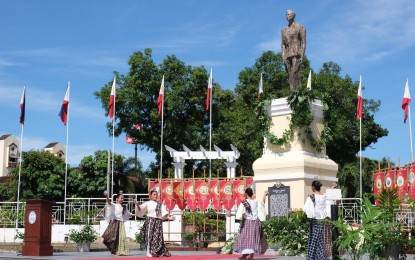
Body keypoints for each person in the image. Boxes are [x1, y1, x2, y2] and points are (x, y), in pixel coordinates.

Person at [135, 189, 174, 257]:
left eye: (156, 195)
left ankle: (155, 251)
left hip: (158, 222)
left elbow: (164, 214)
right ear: (151, 196)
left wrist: (170, 218)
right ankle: (148, 251)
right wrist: (138, 204)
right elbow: (140, 210)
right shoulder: (148, 203)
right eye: (154, 195)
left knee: (158, 237)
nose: (156, 196)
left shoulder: (160, 204)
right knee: (149, 236)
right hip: (151, 221)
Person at [234, 188, 268, 260]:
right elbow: (263, 204)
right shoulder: (256, 202)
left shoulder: (244, 202)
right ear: (252, 194)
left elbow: (240, 212)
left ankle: (245, 255)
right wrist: (265, 195)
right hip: (255, 222)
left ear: (246, 194)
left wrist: (237, 219)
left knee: (244, 238)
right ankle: (250, 256)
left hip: (247, 222)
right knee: (253, 238)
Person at [102, 191, 137, 256]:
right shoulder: (114, 205)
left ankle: (121, 251)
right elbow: (109, 202)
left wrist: (137, 214)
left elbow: (129, 214)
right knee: (111, 237)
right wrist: (107, 195)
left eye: (123, 198)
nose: (122, 199)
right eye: (121, 198)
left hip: (121, 223)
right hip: (114, 223)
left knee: (121, 237)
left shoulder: (124, 207)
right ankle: (114, 250)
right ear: (117, 199)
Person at [303, 180, 331, 260]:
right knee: (321, 240)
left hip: (315, 221)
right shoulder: (325, 196)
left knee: (313, 239)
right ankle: (320, 257)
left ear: (313, 188)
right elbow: (328, 208)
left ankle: (312, 257)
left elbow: (306, 209)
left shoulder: (311, 197)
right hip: (323, 220)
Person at [281, 9, 306, 91]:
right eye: (286, 14)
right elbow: (283, 45)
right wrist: (283, 56)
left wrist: (302, 55)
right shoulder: (283, 30)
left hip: (296, 53)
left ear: (293, 16)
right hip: (287, 55)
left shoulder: (300, 27)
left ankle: (295, 92)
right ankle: (295, 91)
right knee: (289, 74)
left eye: (289, 14)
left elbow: (303, 42)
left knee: (294, 72)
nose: (287, 16)